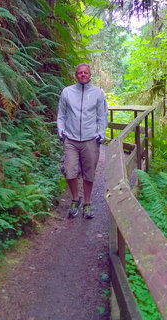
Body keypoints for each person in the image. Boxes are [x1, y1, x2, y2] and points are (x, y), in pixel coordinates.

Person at [57, 63, 108, 219]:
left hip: (90, 139)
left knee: (89, 174)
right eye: (80, 73)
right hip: (70, 140)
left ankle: (87, 203)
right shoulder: (67, 92)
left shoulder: (98, 93)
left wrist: (101, 133)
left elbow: (102, 116)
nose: (83, 75)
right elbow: (61, 115)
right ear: (76, 75)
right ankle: (74, 199)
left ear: (90, 75)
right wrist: (61, 132)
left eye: (86, 72)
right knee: (69, 171)